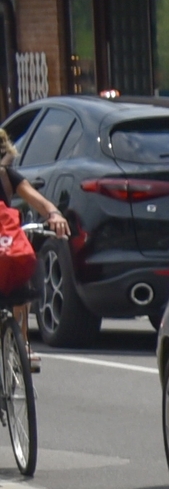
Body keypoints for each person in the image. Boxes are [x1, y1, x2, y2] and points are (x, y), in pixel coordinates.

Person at [0, 132, 66, 370]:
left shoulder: (7, 177)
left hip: (3, 249)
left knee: (23, 267)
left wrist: (53, 214)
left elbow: (38, 200)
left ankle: (21, 343)